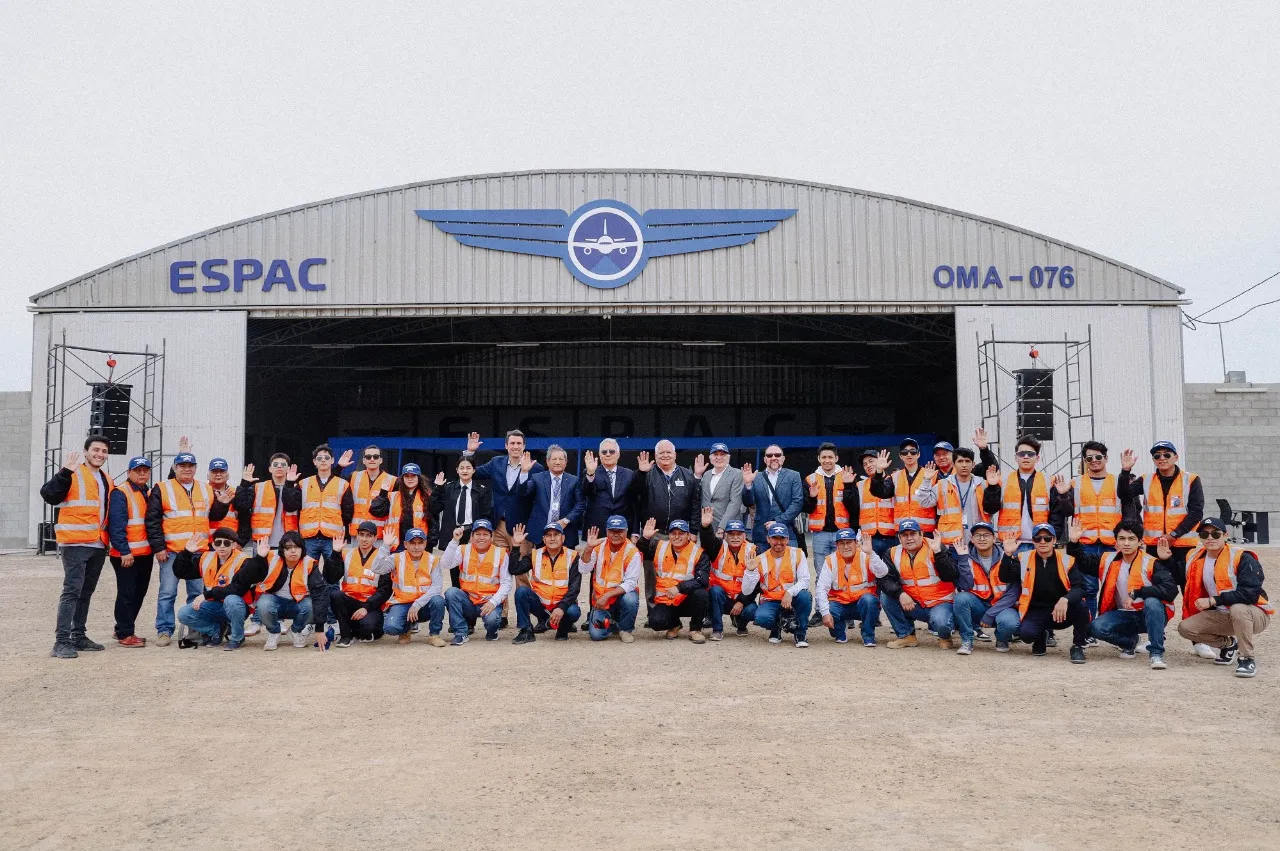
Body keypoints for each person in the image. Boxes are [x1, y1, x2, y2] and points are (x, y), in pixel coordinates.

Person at [40, 435, 114, 659]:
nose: (100, 454)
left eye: (104, 451)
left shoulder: (107, 479)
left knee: (86, 592)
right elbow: (49, 495)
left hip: (98, 543)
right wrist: (64, 473)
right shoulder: (72, 474)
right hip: (75, 543)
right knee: (72, 591)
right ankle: (61, 642)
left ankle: (78, 636)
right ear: (85, 452)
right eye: (96, 450)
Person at [1177, 517, 1273, 678]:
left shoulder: (1242, 557)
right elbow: (1177, 576)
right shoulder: (1195, 557)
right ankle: (1228, 645)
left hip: (1254, 614)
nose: (1209, 538)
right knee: (1185, 628)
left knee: (1238, 608)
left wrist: (1214, 600)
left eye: (1215, 534)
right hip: (1222, 615)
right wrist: (1165, 559)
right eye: (1204, 534)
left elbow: (1250, 593)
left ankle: (1247, 658)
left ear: (1225, 535)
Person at [1075, 519, 1177, 669]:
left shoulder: (1151, 562)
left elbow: (1171, 590)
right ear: (1116, 542)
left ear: (1140, 542)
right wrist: (1074, 542)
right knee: (1095, 628)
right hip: (1122, 614)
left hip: (1148, 615)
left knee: (1152, 602)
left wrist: (1139, 592)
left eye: (1131, 539)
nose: (1126, 543)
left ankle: (1156, 653)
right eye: (1122, 539)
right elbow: (1083, 562)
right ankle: (1129, 642)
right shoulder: (1107, 559)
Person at [219, 531, 330, 650]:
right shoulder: (270, 557)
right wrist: (259, 558)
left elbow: (320, 594)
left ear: (302, 549)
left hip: (297, 604)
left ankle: (295, 631)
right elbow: (246, 577)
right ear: (282, 550)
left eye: (297, 547)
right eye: (288, 547)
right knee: (264, 603)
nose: (293, 551)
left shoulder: (309, 563)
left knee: (312, 605)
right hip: (274, 602)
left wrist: (319, 628)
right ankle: (274, 632)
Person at [998, 524, 1093, 662]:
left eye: (1047, 538)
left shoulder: (1066, 560)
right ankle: (1041, 636)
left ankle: (1078, 646)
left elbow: (1081, 587)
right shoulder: (1023, 558)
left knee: (1081, 606)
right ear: (1033, 541)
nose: (1043, 542)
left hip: (1061, 611)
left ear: (1054, 540)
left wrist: (1065, 599)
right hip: (1036, 610)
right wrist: (1007, 555)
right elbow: (1004, 577)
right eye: (1038, 538)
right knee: (1026, 635)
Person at [146, 450, 211, 647]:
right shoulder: (162, 488)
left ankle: (195, 628)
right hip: (172, 551)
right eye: (182, 466)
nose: (186, 469)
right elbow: (152, 520)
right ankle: (164, 630)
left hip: (199, 552)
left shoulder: (206, 489)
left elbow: (213, 515)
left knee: (197, 592)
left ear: (196, 468)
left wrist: (224, 504)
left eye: (190, 466)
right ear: (174, 468)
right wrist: (158, 547)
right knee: (167, 592)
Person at [1051, 441, 1121, 620]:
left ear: (1106, 458)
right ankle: (1089, 629)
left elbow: (1131, 511)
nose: (1094, 460)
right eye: (1089, 458)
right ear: (1084, 461)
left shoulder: (1117, 482)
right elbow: (1067, 512)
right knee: (1088, 589)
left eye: (1098, 457)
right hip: (1085, 544)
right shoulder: (1076, 484)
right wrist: (1063, 495)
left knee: (1116, 589)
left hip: (1113, 545)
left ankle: (1115, 630)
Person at [1119, 440, 1205, 586]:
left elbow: (1196, 512)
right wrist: (1125, 471)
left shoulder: (1190, 480)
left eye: (1166, 454)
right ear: (1154, 460)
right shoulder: (1146, 480)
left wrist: (1174, 535)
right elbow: (1124, 494)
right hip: (1154, 545)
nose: (1162, 458)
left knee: (1188, 586)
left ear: (1176, 457)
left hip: (1183, 545)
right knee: (1158, 587)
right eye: (1157, 456)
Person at [636, 440, 704, 618]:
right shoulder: (647, 474)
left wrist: (694, 531)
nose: (665, 455)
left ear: (675, 455)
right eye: (661, 453)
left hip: (680, 535)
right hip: (654, 534)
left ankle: (679, 609)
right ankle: (654, 611)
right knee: (652, 573)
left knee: (683, 572)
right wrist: (641, 474)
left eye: (669, 452)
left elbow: (695, 505)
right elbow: (636, 497)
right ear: (655, 455)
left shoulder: (687, 476)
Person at [879, 519, 958, 649]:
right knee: (886, 597)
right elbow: (884, 580)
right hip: (913, 604)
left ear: (921, 535)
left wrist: (938, 553)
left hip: (940, 603)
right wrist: (900, 594)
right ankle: (907, 636)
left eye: (913, 534)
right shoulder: (893, 553)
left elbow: (951, 575)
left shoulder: (935, 546)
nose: (909, 538)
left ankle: (945, 637)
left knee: (942, 622)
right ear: (899, 538)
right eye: (905, 535)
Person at [463, 429, 543, 549]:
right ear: (506, 445)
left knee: (519, 565)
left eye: (519, 443)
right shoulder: (496, 462)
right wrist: (470, 452)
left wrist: (525, 472)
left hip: (522, 528)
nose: (515, 446)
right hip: (499, 525)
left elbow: (531, 495)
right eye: (512, 443)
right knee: (498, 564)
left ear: (524, 445)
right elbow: (473, 474)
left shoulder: (536, 468)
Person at [173, 528, 251, 649]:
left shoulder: (243, 560)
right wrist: (186, 553)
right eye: (218, 543)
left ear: (234, 545)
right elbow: (181, 573)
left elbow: (237, 589)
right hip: (215, 605)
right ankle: (216, 631)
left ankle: (238, 637)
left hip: (238, 606)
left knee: (231, 600)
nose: (222, 546)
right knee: (184, 614)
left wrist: (206, 595)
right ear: (213, 544)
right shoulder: (206, 558)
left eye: (226, 543)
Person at [105, 455, 155, 648]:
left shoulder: (147, 492)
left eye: (145, 470)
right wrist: (124, 550)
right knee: (127, 593)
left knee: (138, 593)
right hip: (126, 555)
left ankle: (122, 628)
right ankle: (125, 633)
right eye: (138, 470)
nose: (142, 473)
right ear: (129, 473)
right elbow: (116, 525)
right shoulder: (121, 492)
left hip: (144, 554)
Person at [637, 518, 710, 643]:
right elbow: (642, 550)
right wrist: (645, 538)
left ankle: (695, 629)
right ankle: (675, 624)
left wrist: (679, 587)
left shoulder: (698, 553)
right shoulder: (659, 547)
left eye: (681, 533)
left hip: (687, 599)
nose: (677, 537)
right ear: (669, 535)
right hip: (666, 600)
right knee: (655, 622)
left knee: (702, 594)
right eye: (673, 533)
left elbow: (702, 580)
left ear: (688, 535)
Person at [509, 522, 583, 643]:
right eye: (548, 535)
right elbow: (514, 569)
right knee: (521, 591)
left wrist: (561, 608)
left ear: (563, 538)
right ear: (543, 539)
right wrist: (516, 546)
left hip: (562, 606)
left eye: (556, 535)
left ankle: (563, 629)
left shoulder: (573, 556)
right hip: (541, 605)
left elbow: (575, 588)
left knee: (574, 612)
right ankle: (526, 630)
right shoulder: (534, 554)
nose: (552, 538)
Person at [951, 521, 1019, 653]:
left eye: (986, 535)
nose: (982, 539)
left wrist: (990, 614)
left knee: (1009, 622)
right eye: (977, 535)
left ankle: (1002, 638)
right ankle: (967, 640)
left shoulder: (1007, 557)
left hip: (1003, 607)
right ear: (971, 539)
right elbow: (965, 586)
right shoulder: (966, 557)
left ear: (994, 538)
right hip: (979, 605)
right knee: (961, 598)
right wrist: (963, 560)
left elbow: (1013, 593)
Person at [990, 435, 1066, 554]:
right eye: (1021, 454)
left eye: (1030, 454)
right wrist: (992, 487)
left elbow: (1057, 514)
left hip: (1039, 544)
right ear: (1016, 457)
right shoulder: (1003, 481)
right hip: (1011, 544)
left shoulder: (1049, 481)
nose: (1026, 457)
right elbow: (990, 508)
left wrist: (1050, 538)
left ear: (1037, 458)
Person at [440, 518, 511, 645]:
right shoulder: (463, 549)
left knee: (492, 620)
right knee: (451, 593)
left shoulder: (501, 553)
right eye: (477, 534)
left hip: (489, 601)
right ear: (471, 536)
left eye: (485, 534)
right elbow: (446, 563)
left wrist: (493, 602)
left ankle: (492, 632)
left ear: (492, 537)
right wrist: (454, 541)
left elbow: (507, 583)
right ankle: (461, 633)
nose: (481, 538)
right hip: (469, 600)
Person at [324, 522, 394, 647]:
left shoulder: (382, 557)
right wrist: (335, 554)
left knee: (368, 628)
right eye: (361, 535)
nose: (364, 539)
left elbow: (385, 589)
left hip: (371, 604)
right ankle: (346, 636)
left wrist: (366, 607)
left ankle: (368, 629)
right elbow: (330, 578)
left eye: (368, 535)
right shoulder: (347, 554)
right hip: (350, 601)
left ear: (375, 538)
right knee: (335, 595)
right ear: (357, 536)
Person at [815, 528, 889, 647]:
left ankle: (868, 635)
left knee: (869, 600)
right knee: (829, 609)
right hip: (839, 604)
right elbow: (821, 588)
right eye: (842, 543)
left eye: (849, 542)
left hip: (862, 604)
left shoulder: (866, 556)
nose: (846, 547)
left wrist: (871, 553)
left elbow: (883, 572)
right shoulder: (830, 560)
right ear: (836, 545)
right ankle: (839, 632)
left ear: (856, 542)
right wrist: (824, 613)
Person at [917, 447, 1002, 547]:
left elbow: (992, 509)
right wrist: (926, 480)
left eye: (967, 461)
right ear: (953, 464)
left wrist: (992, 486)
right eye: (960, 461)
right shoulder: (942, 485)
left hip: (979, 543)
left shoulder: (983, 484)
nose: (964, 465)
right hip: (952, 544)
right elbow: (924, 502)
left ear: (973, 464)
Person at [747, 522, 812, 647]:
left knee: (805, 596)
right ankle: (775, 628)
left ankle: (800, 633)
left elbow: (805, 580)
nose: (778, 542)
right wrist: (749, 571)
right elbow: (746, 590)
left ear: (787, 539)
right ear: (768, 539)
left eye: (782, 538)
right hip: (771, 600)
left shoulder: (798, 553)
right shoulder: (760, 559)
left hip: (791, 598)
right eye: (774, 538)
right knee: (761, 618)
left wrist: (789, 592)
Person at [699, 507, 758, 640]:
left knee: (752, 611)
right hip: (721, 597)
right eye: (731, 534)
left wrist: (742, 602)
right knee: (715, 591)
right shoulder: (719, 547)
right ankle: (717, 629)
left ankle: (740, 624)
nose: (735, 537)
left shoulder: (753, 550)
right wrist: (706, 526)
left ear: (744, 535)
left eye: (739, 534)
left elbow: (757, 584)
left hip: (742, 598)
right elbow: (707, 541)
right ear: (726, 536)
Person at [580, 516, 642, 643]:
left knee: (631, 598)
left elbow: (631, 583)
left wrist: (607, 595)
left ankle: (625, 629)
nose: (616, 534)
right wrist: (588, 548)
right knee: (596, 635)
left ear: (626, 532)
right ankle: (614, 623)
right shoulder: (598, 547)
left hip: (618, 597)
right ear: (607, 532)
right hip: (601, 601)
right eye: (612, 531)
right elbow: (583, 569)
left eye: (620, 531)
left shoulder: (632, 552)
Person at [381, 528, 447, 647]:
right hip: (402, 603)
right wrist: (385, 546)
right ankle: (405, 631)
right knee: (391, 628)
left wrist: (417, 604)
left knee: (438, 600)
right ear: (405, 544)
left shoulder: (433, 560)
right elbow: (377, 569)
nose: (416, 547)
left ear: (425, 544)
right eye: (412, 543)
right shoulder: (396, 558)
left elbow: (436, 587)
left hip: (424, 604)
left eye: (420, 543)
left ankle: (434, 635)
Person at [802, 441, 858, 573]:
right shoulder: (810, 479)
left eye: (830, 457)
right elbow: (806, 509)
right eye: (824, 457)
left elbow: (854, 507)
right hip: (820, 534)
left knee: (843, 571)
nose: (827, 460)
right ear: (819, 459)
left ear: (836, 458)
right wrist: (812, 497)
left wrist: (849, 486)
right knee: (822, 573)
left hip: (842, 532)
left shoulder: (847, 476)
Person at [518, 444, 587, 549]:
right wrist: (523, 472)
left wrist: (566, 520)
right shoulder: (537, 478)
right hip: (541, 533)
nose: (558, 462)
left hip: (565, 532)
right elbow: (523, 493)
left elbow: (580, 504)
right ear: (547, 461)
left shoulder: (574, 480)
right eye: (554, 459)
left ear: (566, 462)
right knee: (540, 564)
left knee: (566, 565)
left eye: (561, 459)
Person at [740, 444, 805, 549]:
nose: (773, 458)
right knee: (762, 565)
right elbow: (748, 503)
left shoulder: (793, 476)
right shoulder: (756, 477)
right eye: (770, 455)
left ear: (783, 459)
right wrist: (748, 485)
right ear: (765, 459)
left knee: (787, 565)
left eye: (777, 455)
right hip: (761, 535)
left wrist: (778, 521)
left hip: (786, 534)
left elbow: (797, 503)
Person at [869, 439, 938, 537]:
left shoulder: (931, 475)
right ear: (901, 456)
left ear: (918, 455)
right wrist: (879, 471)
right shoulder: (895, 477)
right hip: (903, 531)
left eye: (913, 452)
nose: (909, 455)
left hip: (925, 531)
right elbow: (879, 492)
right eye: (905, 452)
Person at [298, 444, 354, 561]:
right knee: (308, 572)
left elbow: (348, 511)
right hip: (309, 538)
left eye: (327, 458)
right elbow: (296, 508)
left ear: (332, 460)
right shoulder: (304, 484)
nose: (323, 460)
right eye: (319, 458)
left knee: (332, 574)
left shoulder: (342, 484)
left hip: (333, 538)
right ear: (314, 461)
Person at [431, 456, 494, 557]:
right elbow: (434, 508)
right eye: (462, 468)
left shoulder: (482, 491)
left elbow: (486, 515)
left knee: (471, 566)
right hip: (453, 532)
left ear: (474, 470)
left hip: (472, 532)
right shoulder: (448, 488)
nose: (465, 471)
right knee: (453, 567)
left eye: (468, 468)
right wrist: (437, 488)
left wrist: (478, 533)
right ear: (457, 470)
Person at [234, 453, 301, 547]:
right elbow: (241, 507)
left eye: (283, 465)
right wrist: (244, 484)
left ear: (288, 469)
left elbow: (291, 506)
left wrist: (289, 484)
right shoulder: (258, 487)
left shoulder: (296, 488)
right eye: (275, 464)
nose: (279, 466)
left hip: (289, 543)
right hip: (262, 542)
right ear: (270, 469)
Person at [579, 439, 643, 535]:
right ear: (600, 455)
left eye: (611, 451)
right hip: (596, 531)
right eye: (604, 452)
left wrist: (635, 532)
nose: (608, 454)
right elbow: (586, 492)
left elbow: (635, 505)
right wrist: (591, 473)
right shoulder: (590, 472)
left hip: (623, 530)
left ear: (618, 454)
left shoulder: (629, 474)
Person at [371, 462, 434, 551]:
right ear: (402, 478)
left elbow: (433, 523)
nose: (410, 479)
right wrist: (383, 493)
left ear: (419, 478)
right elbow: (375, 511)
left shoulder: (427, 497)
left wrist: (429, 545)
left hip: (418, 545)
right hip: (397, 545)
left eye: (413, 476)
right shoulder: (392, 496)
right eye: (407, 476)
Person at [347, 444, 397, 536]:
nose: (372, 459)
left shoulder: (392, 480)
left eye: (376, 456)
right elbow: (333, 487)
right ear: (364, 460)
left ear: (381, 460)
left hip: (380, 534)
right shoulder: (354, 477)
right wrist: (339, 467)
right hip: (358, 533)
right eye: (368, 457)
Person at [855, 449, 897, 558]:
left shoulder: (894, 481)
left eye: (871, 461)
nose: (868, 465)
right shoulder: (860, 485)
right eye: (865, 464)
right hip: (869, 539)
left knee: (891, 572)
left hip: (891, 537)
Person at [700, 442, 745, 534]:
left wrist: (722, 527)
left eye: (722, 454)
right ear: (710, 457)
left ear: (728, 457)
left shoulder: (736, 474)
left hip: (728, 528)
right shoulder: (706, 474)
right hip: (707, 526)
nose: (719, 457)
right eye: (715, 454)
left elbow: (735, 503)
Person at [206, 457, 238, 539]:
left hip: (230, 542)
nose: (218, 474)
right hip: (207, 542)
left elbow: (244, 520)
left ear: (228, 476)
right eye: (214, 471)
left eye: (222, 471)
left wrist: (240, 542)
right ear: (207, 476)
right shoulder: (201, 492)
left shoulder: (235, 493)